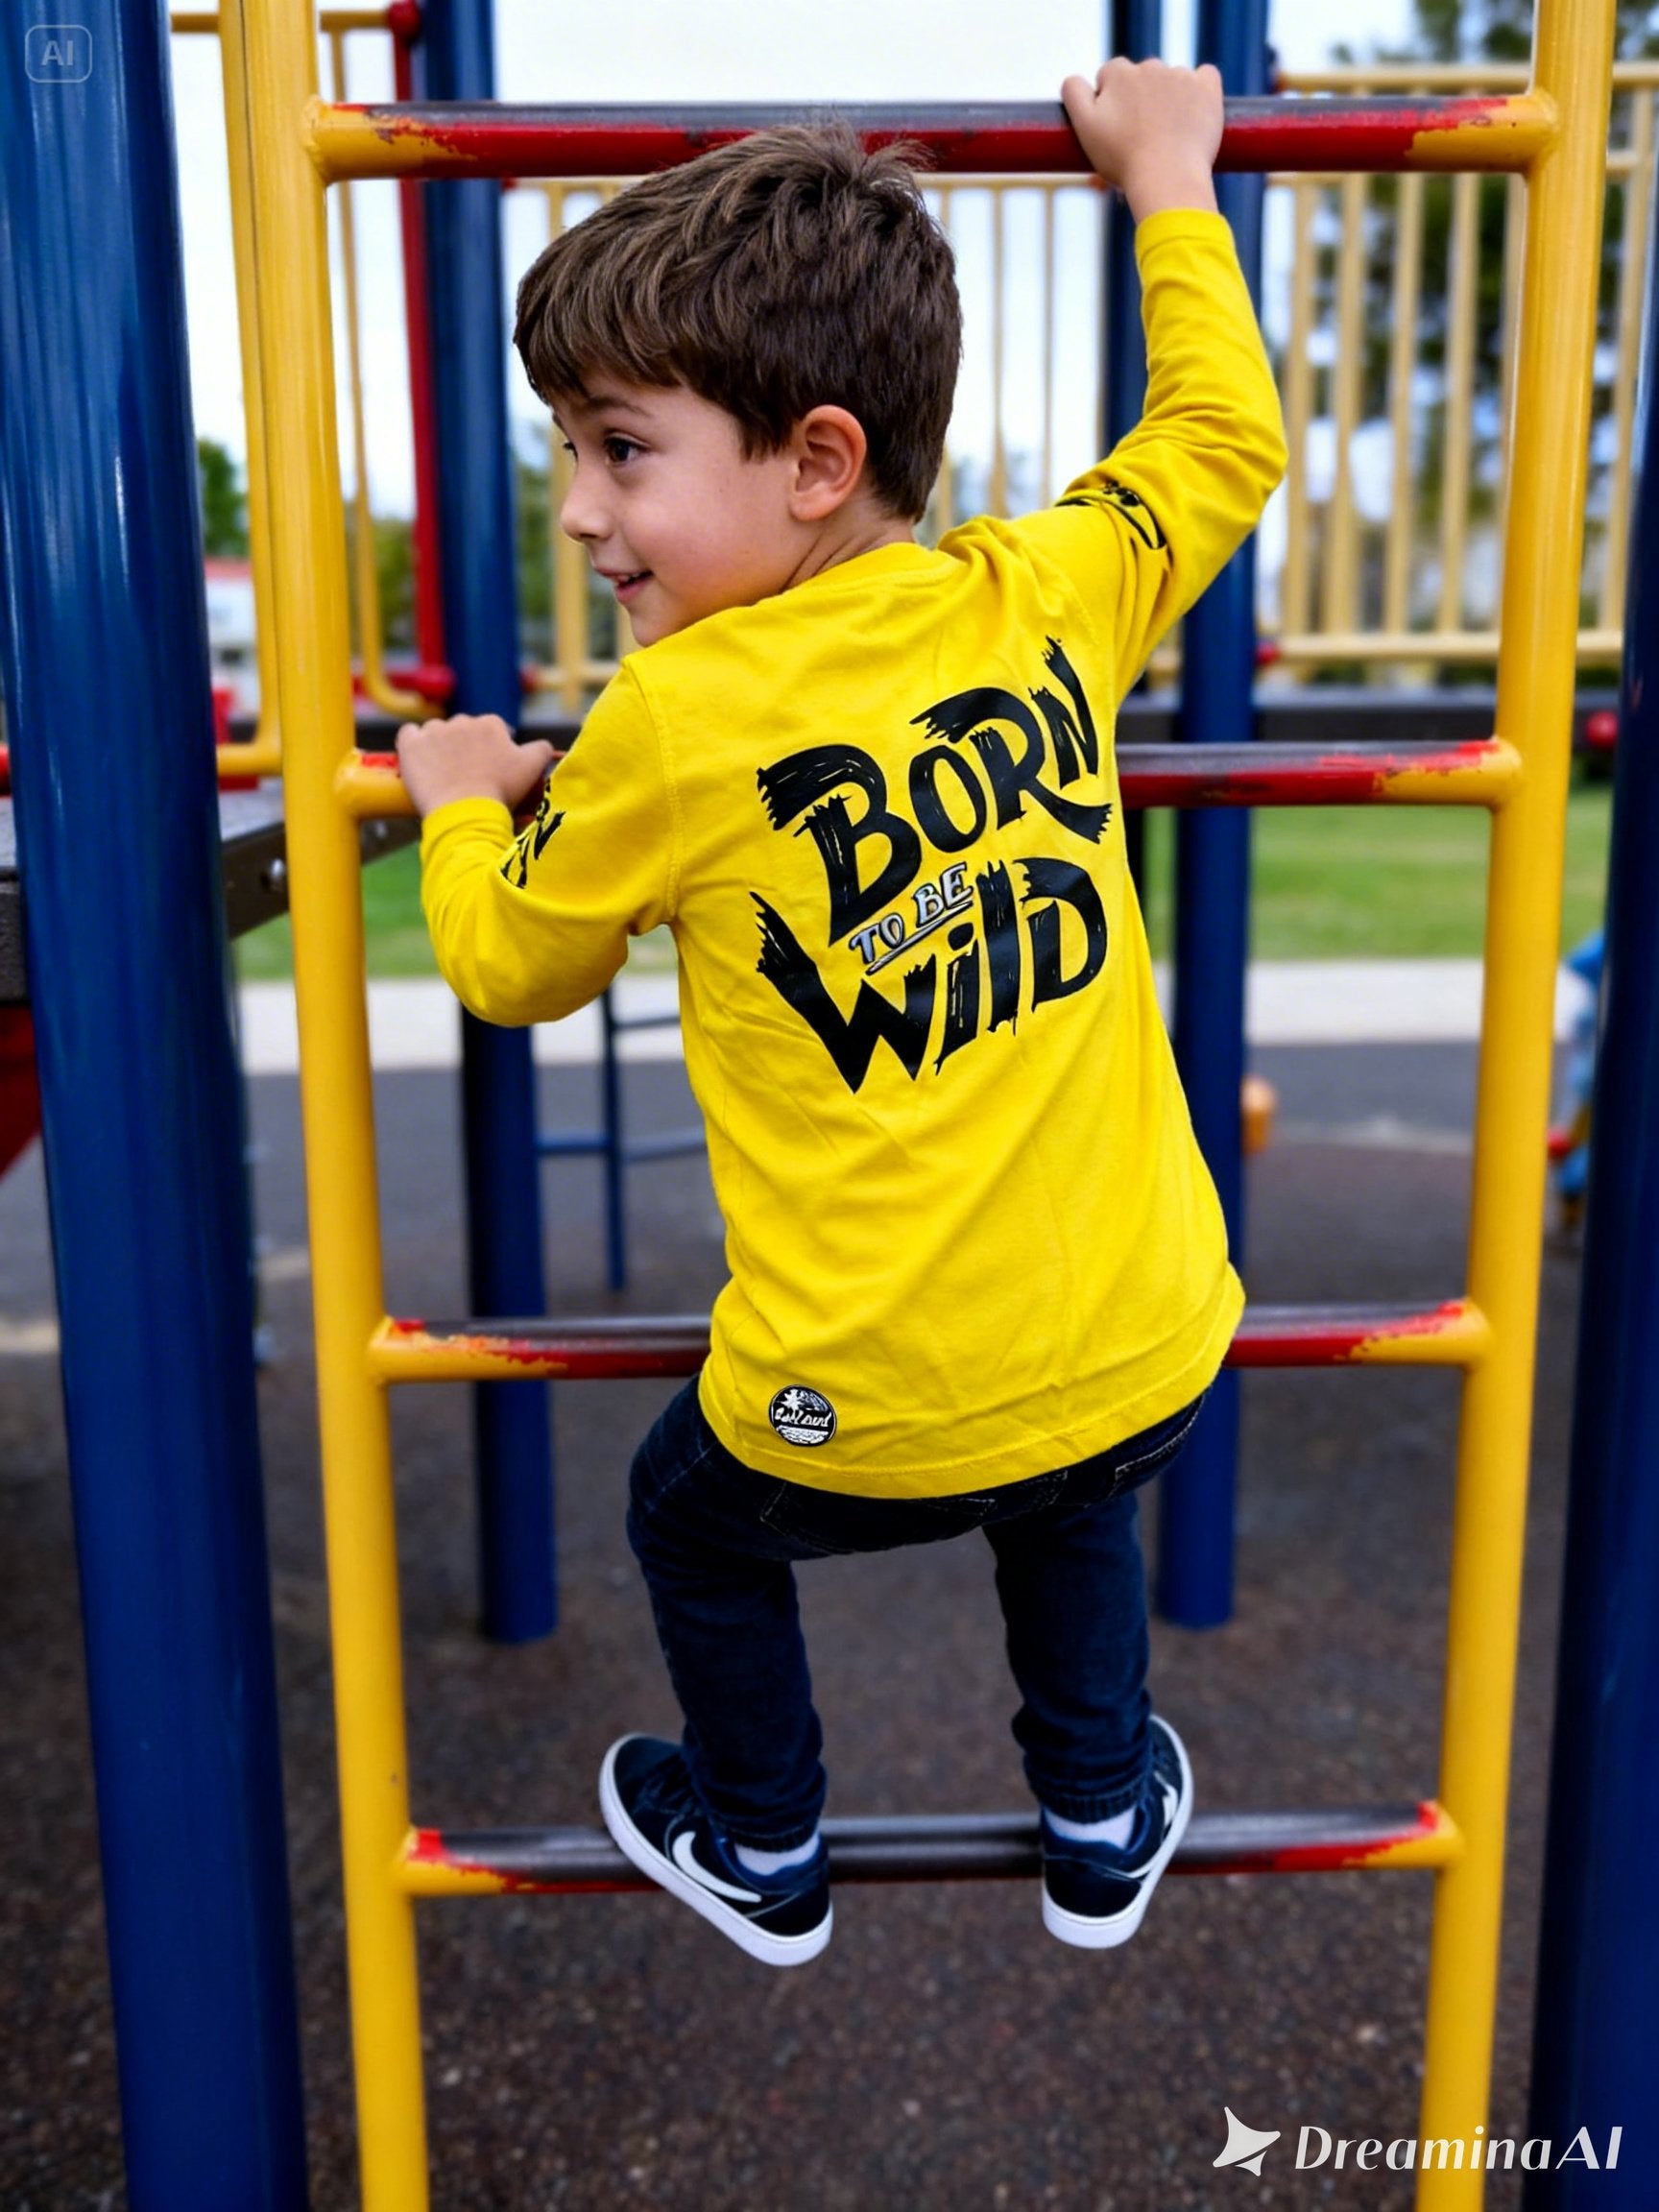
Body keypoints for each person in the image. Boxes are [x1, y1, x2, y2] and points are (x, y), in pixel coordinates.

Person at [397, 60, 1286, 1970]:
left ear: (814, 460)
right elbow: (1225, 432)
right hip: (1150, 1346)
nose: (579, 510)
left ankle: (762, 1840)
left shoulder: (670, 719)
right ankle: (1099, 1808)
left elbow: (511, 966)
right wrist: (1171, 180)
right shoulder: (1044, 596)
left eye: (619, 450)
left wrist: (464, 810)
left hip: (850, 1410)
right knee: (1073, 1496)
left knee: (688, 1520)